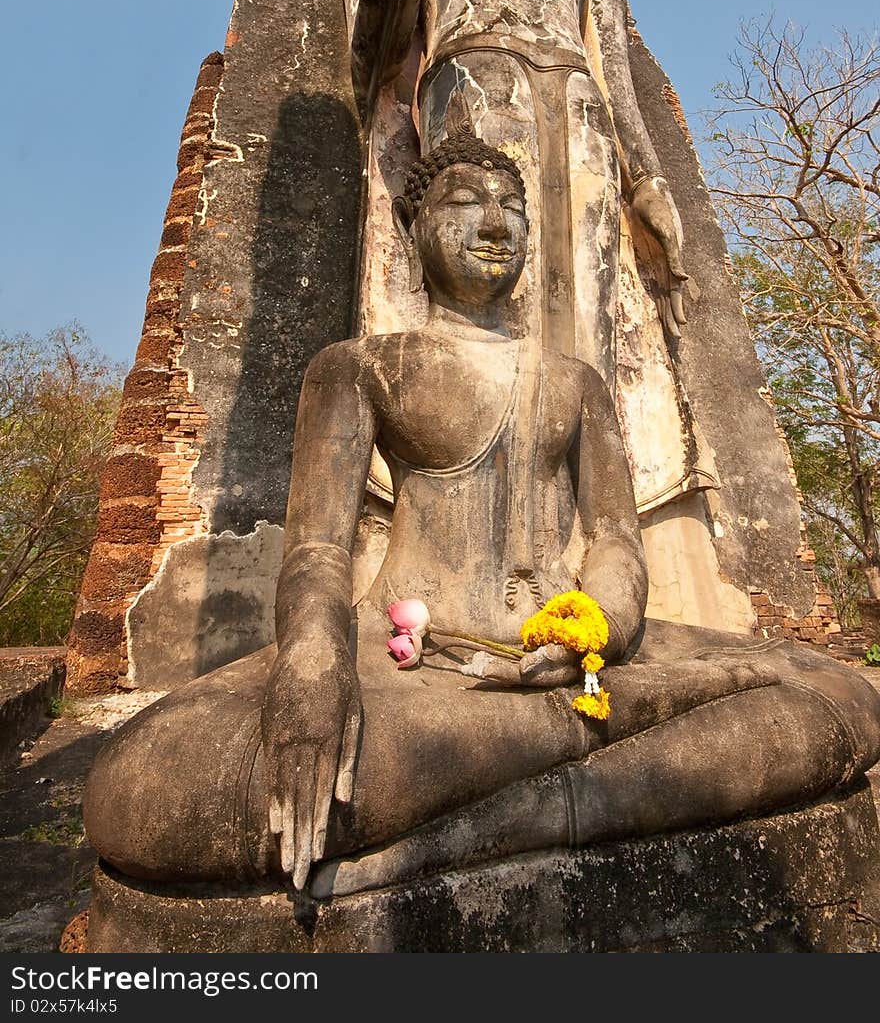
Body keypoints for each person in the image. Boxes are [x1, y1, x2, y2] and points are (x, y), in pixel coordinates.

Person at [83, 123, 880, 898]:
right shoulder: (360, 368)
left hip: (568, 654)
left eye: (514, 205)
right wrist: (311, 668)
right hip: (418, 667)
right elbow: (318, 550)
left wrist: (597, 626)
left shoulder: (577, 382)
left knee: (839, 698)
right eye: (466, 201)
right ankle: (593, 766)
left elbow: (614, 541)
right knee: (141, 791)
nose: (496, 223)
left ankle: (470, 827)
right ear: (411, 221)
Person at [339, 0, 717, 540]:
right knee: (477, 271)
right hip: (477, 97)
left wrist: (645, 183)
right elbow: (373, 49)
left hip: (577, 115)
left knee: (588, 288)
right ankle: (463, 472)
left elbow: (617, 82)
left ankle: (590, 494)